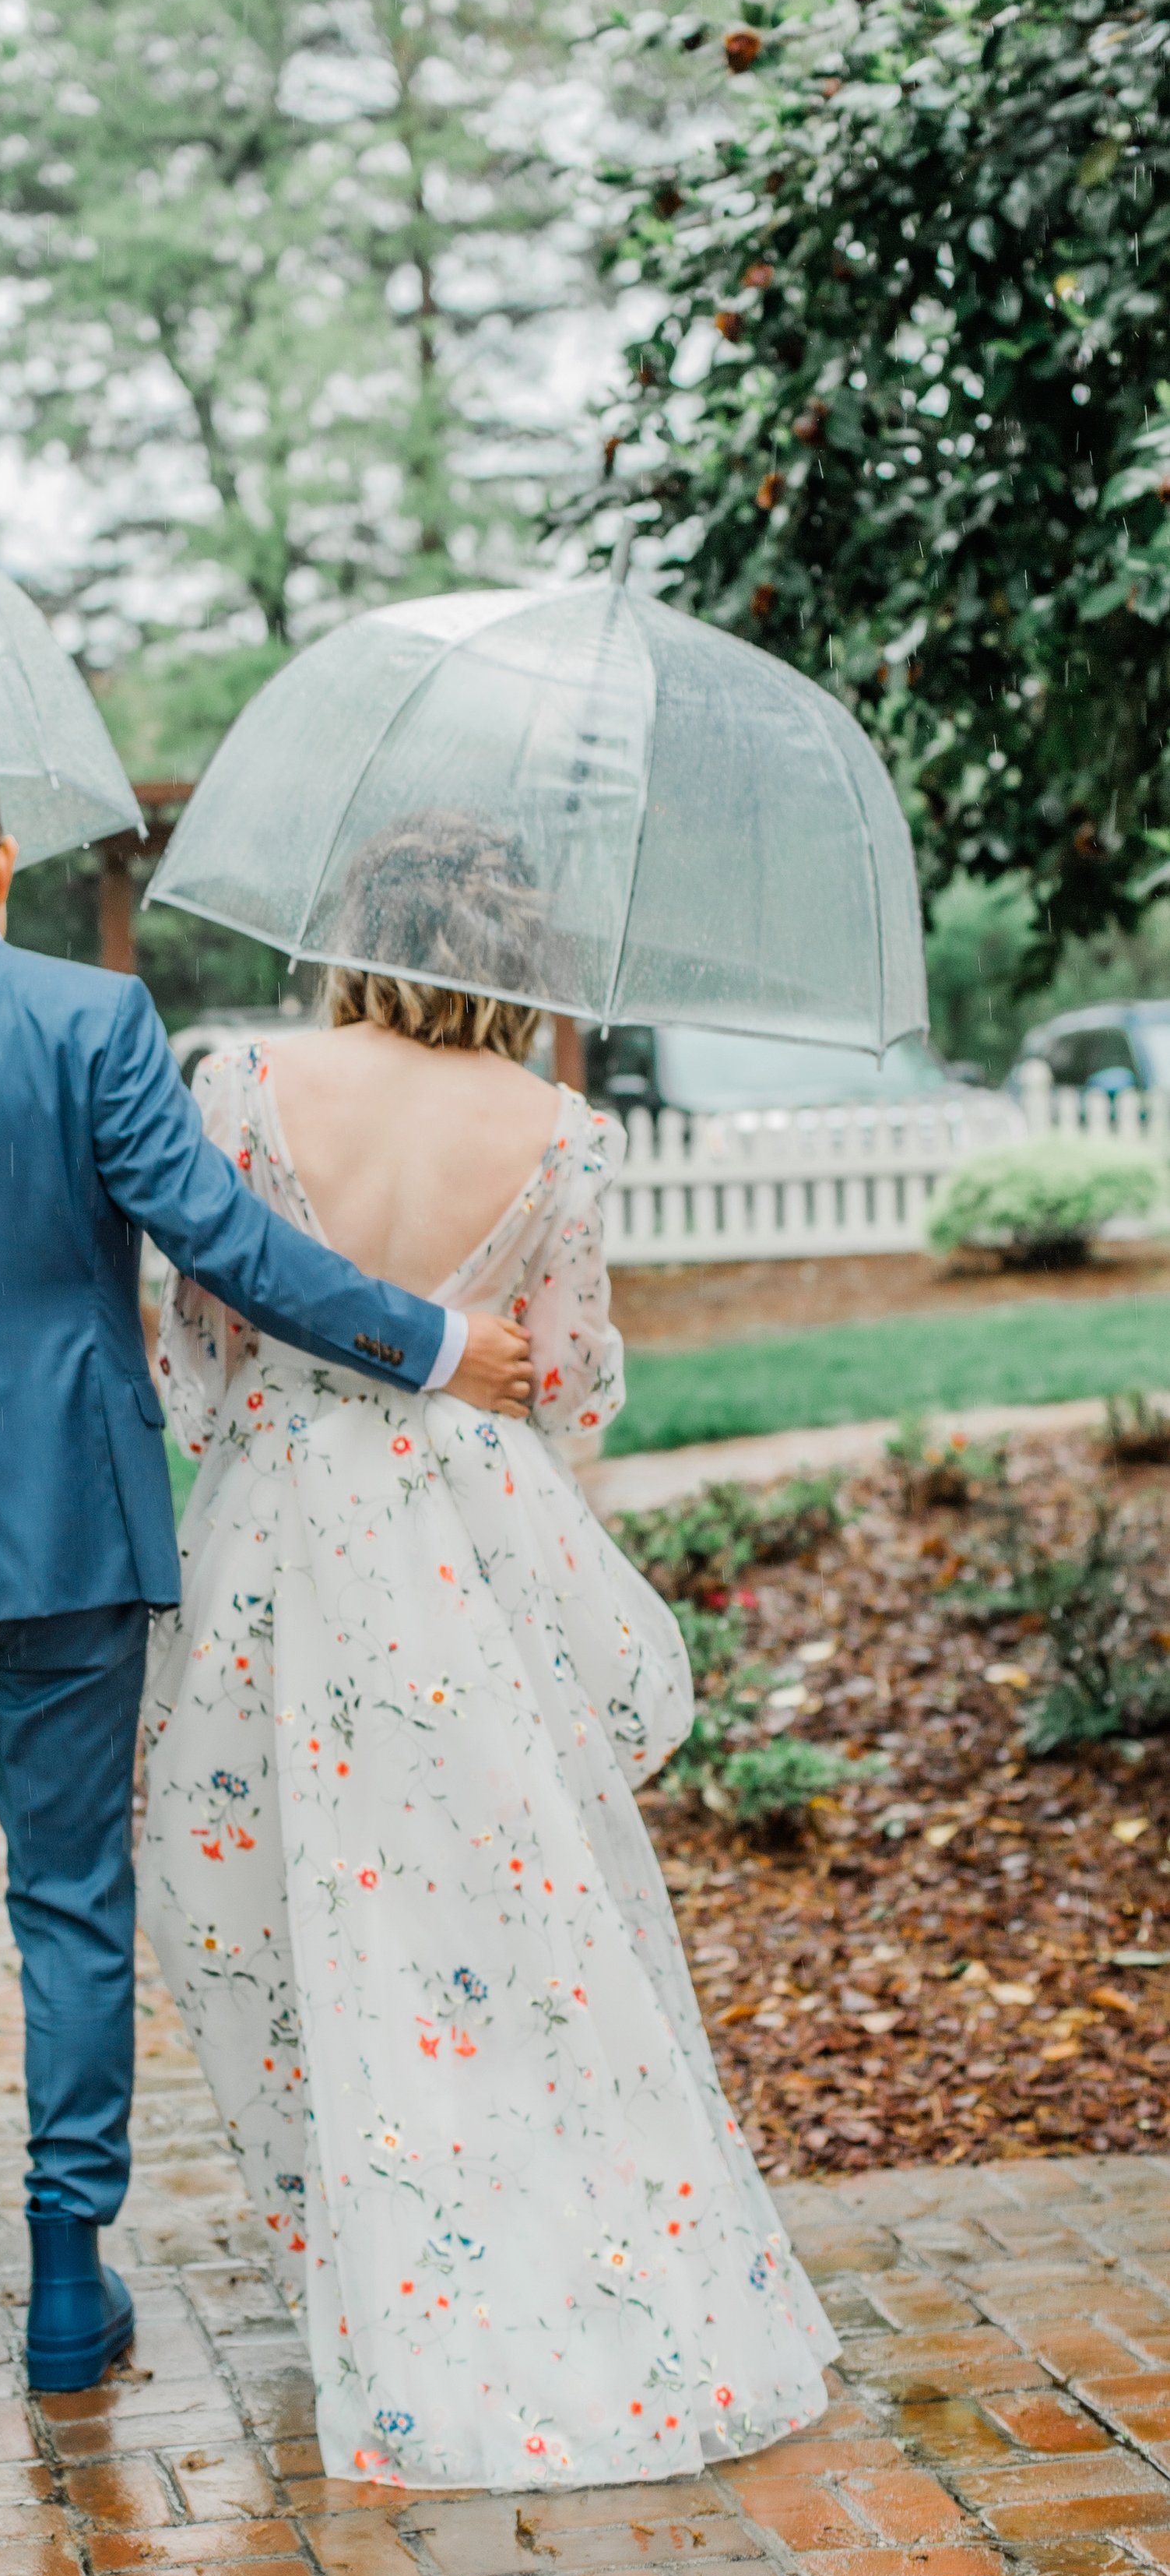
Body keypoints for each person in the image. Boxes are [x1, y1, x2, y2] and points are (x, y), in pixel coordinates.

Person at [0, 768, 533, 2397]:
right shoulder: (92, 1018)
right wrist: (422, 1340)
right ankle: (69, 2279)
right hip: (65, 1515)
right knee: (68, 1888)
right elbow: (218, 1236)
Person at [139, 819, 838, 2489]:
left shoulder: (239, 1078)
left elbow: (201, 1346)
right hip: (466, 1549)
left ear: (357, 930)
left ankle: (372, 2265)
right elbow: (573, 1383)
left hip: (276, 1546)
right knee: (513, 1916)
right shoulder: (557, 1130)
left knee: (289, 1915)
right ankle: (547, 2256)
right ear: (518, 961)